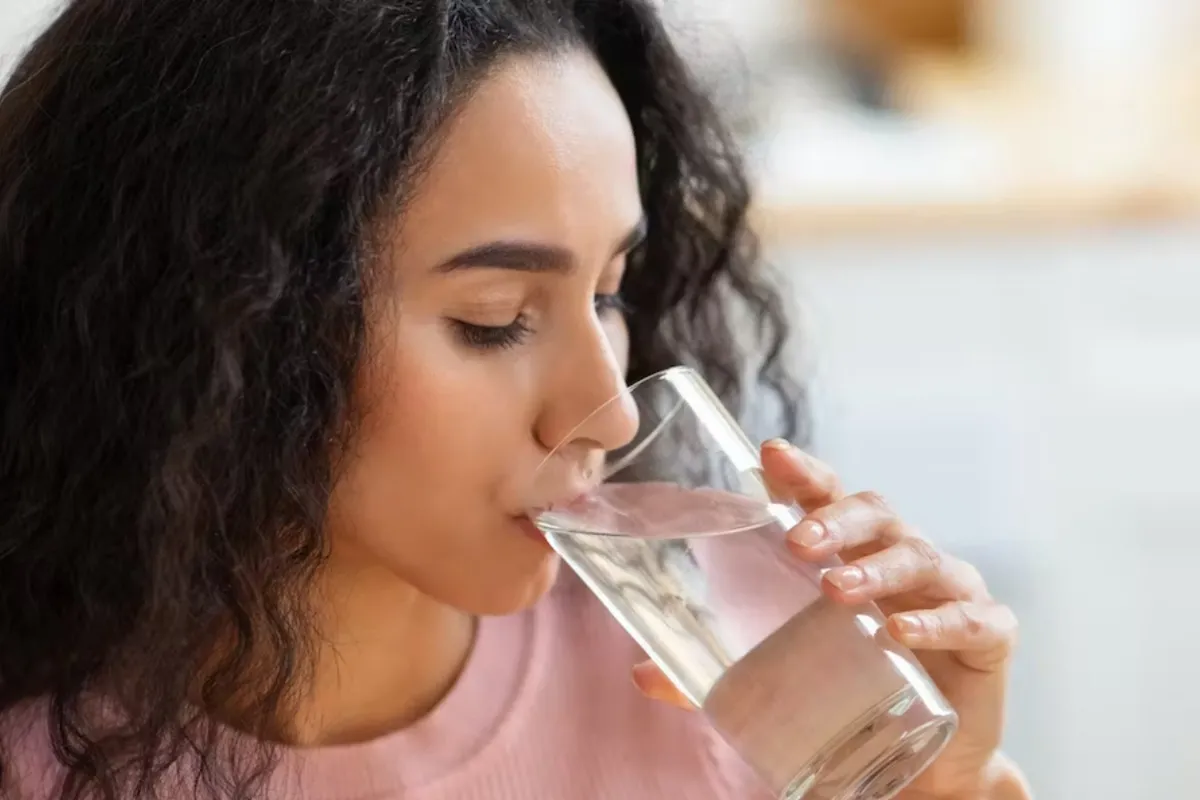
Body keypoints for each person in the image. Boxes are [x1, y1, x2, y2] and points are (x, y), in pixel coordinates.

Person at [0, 1, 1031, 798]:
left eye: (610, 293)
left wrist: (949, 785)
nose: (612, 410)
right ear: (227, 319)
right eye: (494, 316)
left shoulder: (738, 702)